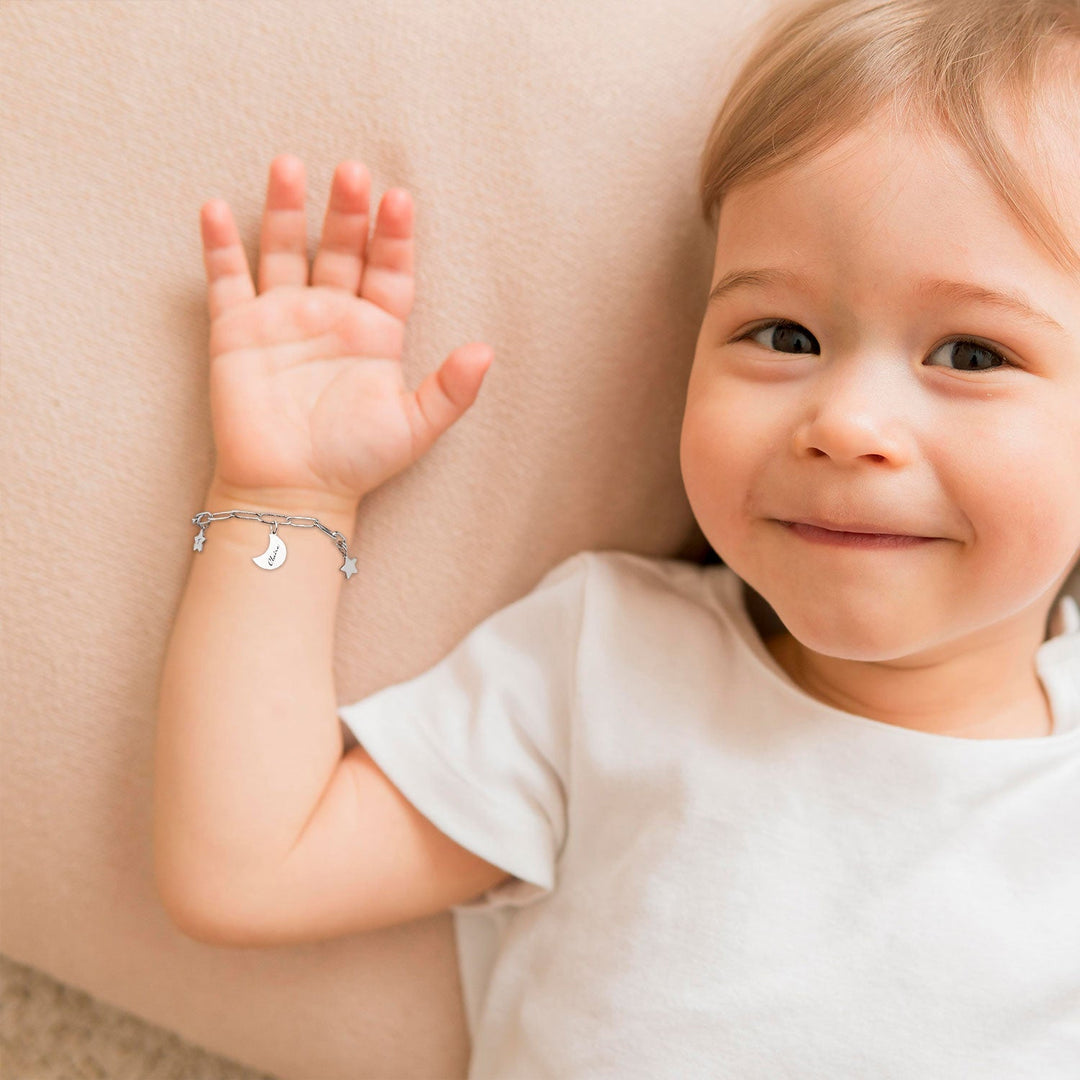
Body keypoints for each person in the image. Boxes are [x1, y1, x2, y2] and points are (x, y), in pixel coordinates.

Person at [153, 0, 1080, 1075]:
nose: (846, 425)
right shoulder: (609, 663)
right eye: (784, 335)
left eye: (971, 355)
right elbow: (247, 869)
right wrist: (285, 500)